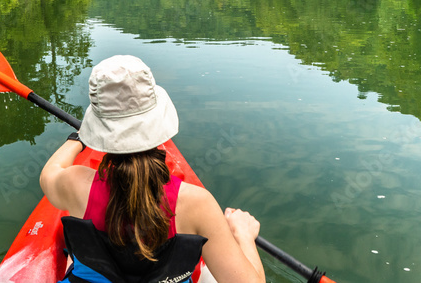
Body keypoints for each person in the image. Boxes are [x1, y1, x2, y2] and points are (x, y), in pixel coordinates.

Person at [40, 55, 265, 283]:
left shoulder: (74, 184)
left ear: (100, 131)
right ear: (157, 122)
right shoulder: (198, 204)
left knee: (74, 254)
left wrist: (77, 139)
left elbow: (49, 174)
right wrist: (244, 236)